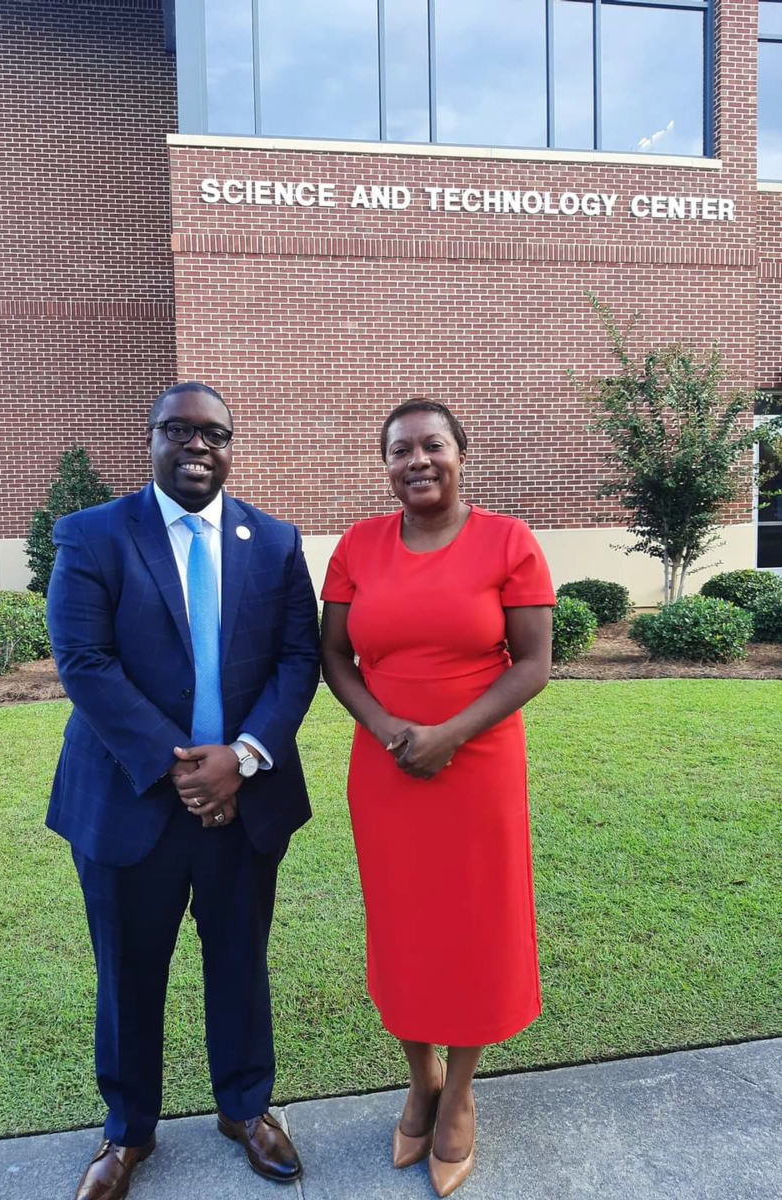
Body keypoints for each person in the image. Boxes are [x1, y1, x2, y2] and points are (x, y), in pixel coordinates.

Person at [46, 382, 320, 1200]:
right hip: (131, 801)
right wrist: (184, 767)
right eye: (179, 431)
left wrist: (242, 757)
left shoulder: (272, 541)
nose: (197, 446)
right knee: (129, 971)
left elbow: (297, 660)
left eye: (214, 434)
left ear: (231, 446)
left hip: (247, 800)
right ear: (154, 439)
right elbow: (84, 663)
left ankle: (246, 1108)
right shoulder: (95, 535)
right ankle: (128, 1133)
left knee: (240, 959)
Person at [320, 398, 554, 1198]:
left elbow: (531, 663)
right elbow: (335, 658)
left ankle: (458, 1094)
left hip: (477, 766)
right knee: (404, 925)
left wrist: (449, 733)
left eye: (432, 446)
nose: (416, 461)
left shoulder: (509, 542)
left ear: (461, 453)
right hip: (386, 771)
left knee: (473, 926)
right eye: (399, 451)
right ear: (384, 465)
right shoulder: (358, 546)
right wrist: (392, 729)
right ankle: (417, 1080)